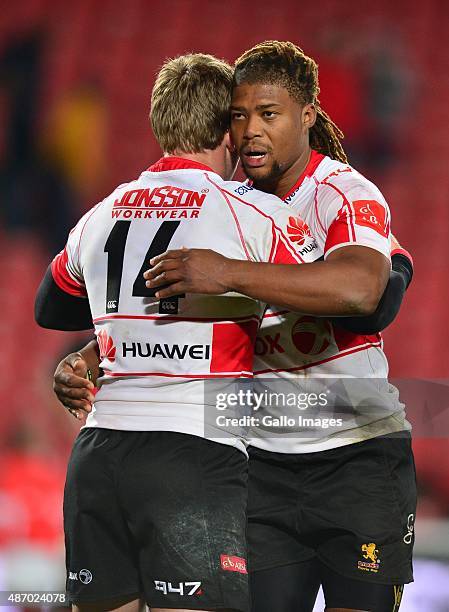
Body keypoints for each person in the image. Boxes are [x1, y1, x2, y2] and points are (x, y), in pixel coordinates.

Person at [50, 43, 415, 612]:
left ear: (308, 118)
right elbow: (189, 312)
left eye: (268, 115)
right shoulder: (227, 206)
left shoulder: (342, 192)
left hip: (355, 454)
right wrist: (97, 355)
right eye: (239, 116)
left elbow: (365, 291)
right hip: (261, 462)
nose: (250, 131)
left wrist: (222, 271)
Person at [35, 52, 309, 612]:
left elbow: (49, 306)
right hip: (192, 453)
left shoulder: (102, 211)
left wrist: (119, 325)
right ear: (227, 132)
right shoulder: (250, 214)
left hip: (98, 455)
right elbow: (329, 296)